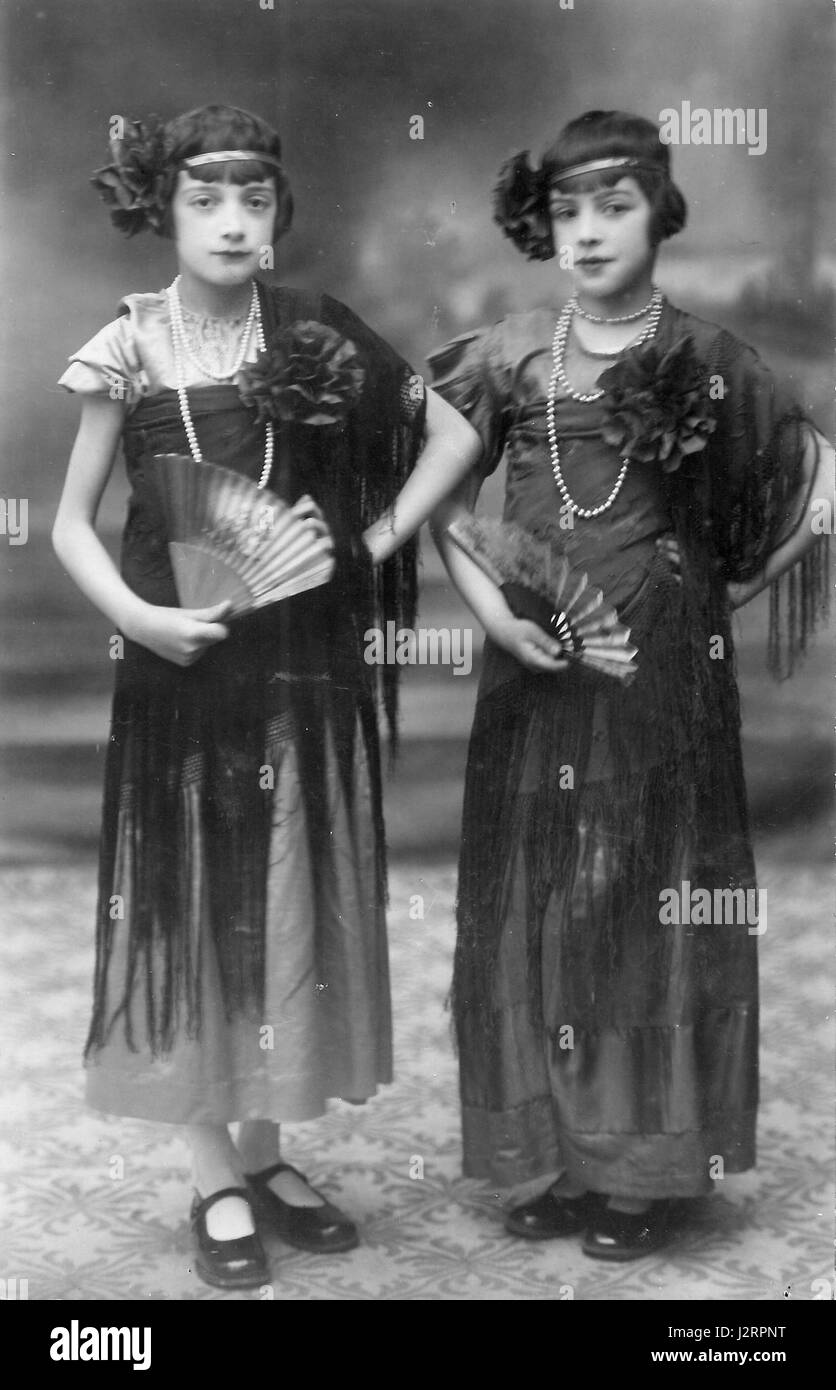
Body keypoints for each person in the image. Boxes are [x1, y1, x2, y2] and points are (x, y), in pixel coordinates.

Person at [52, 103, 480, 1289]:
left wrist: (377, 538)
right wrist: (136, 616)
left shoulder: (315, 330)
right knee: (198, 908)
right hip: (181, 670)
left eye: (254, 201)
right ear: (164, 213)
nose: (233, 223)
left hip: (300, 667)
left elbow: (447, 431)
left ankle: (266, 1147)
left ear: (278, 220)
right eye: (206, 201)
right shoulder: (128, 345)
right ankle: (210, 1172)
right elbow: (70, 525)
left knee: (288, 896)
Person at [429, 110, 832, 1261]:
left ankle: (646, 1166)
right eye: (566, 211)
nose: (589, 232)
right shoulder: (508, 350)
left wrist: (724, 588)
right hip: (536, 674)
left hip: (660, 680)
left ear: (661, 212)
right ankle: (562, 1152)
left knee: (639, 900)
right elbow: (439, 503)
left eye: (614, 205)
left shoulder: (708, 360)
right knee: (544, 897)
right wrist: (493, 611)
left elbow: (807, 486)